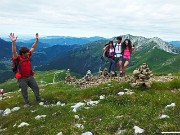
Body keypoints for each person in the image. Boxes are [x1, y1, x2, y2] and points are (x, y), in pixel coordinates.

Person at [9, 33, 44, 107]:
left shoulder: (27, 56)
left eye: (28, 52)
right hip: (22, 78)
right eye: (26, 53)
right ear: (22, 53)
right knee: (24, 91)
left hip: (30, 76)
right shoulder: (18, 58)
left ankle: (38, 98)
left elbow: (33, 47)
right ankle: (26, 103)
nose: (28, 53)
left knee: (36, 87)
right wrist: (13, 42)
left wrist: (37, 40)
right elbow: (13, 52)